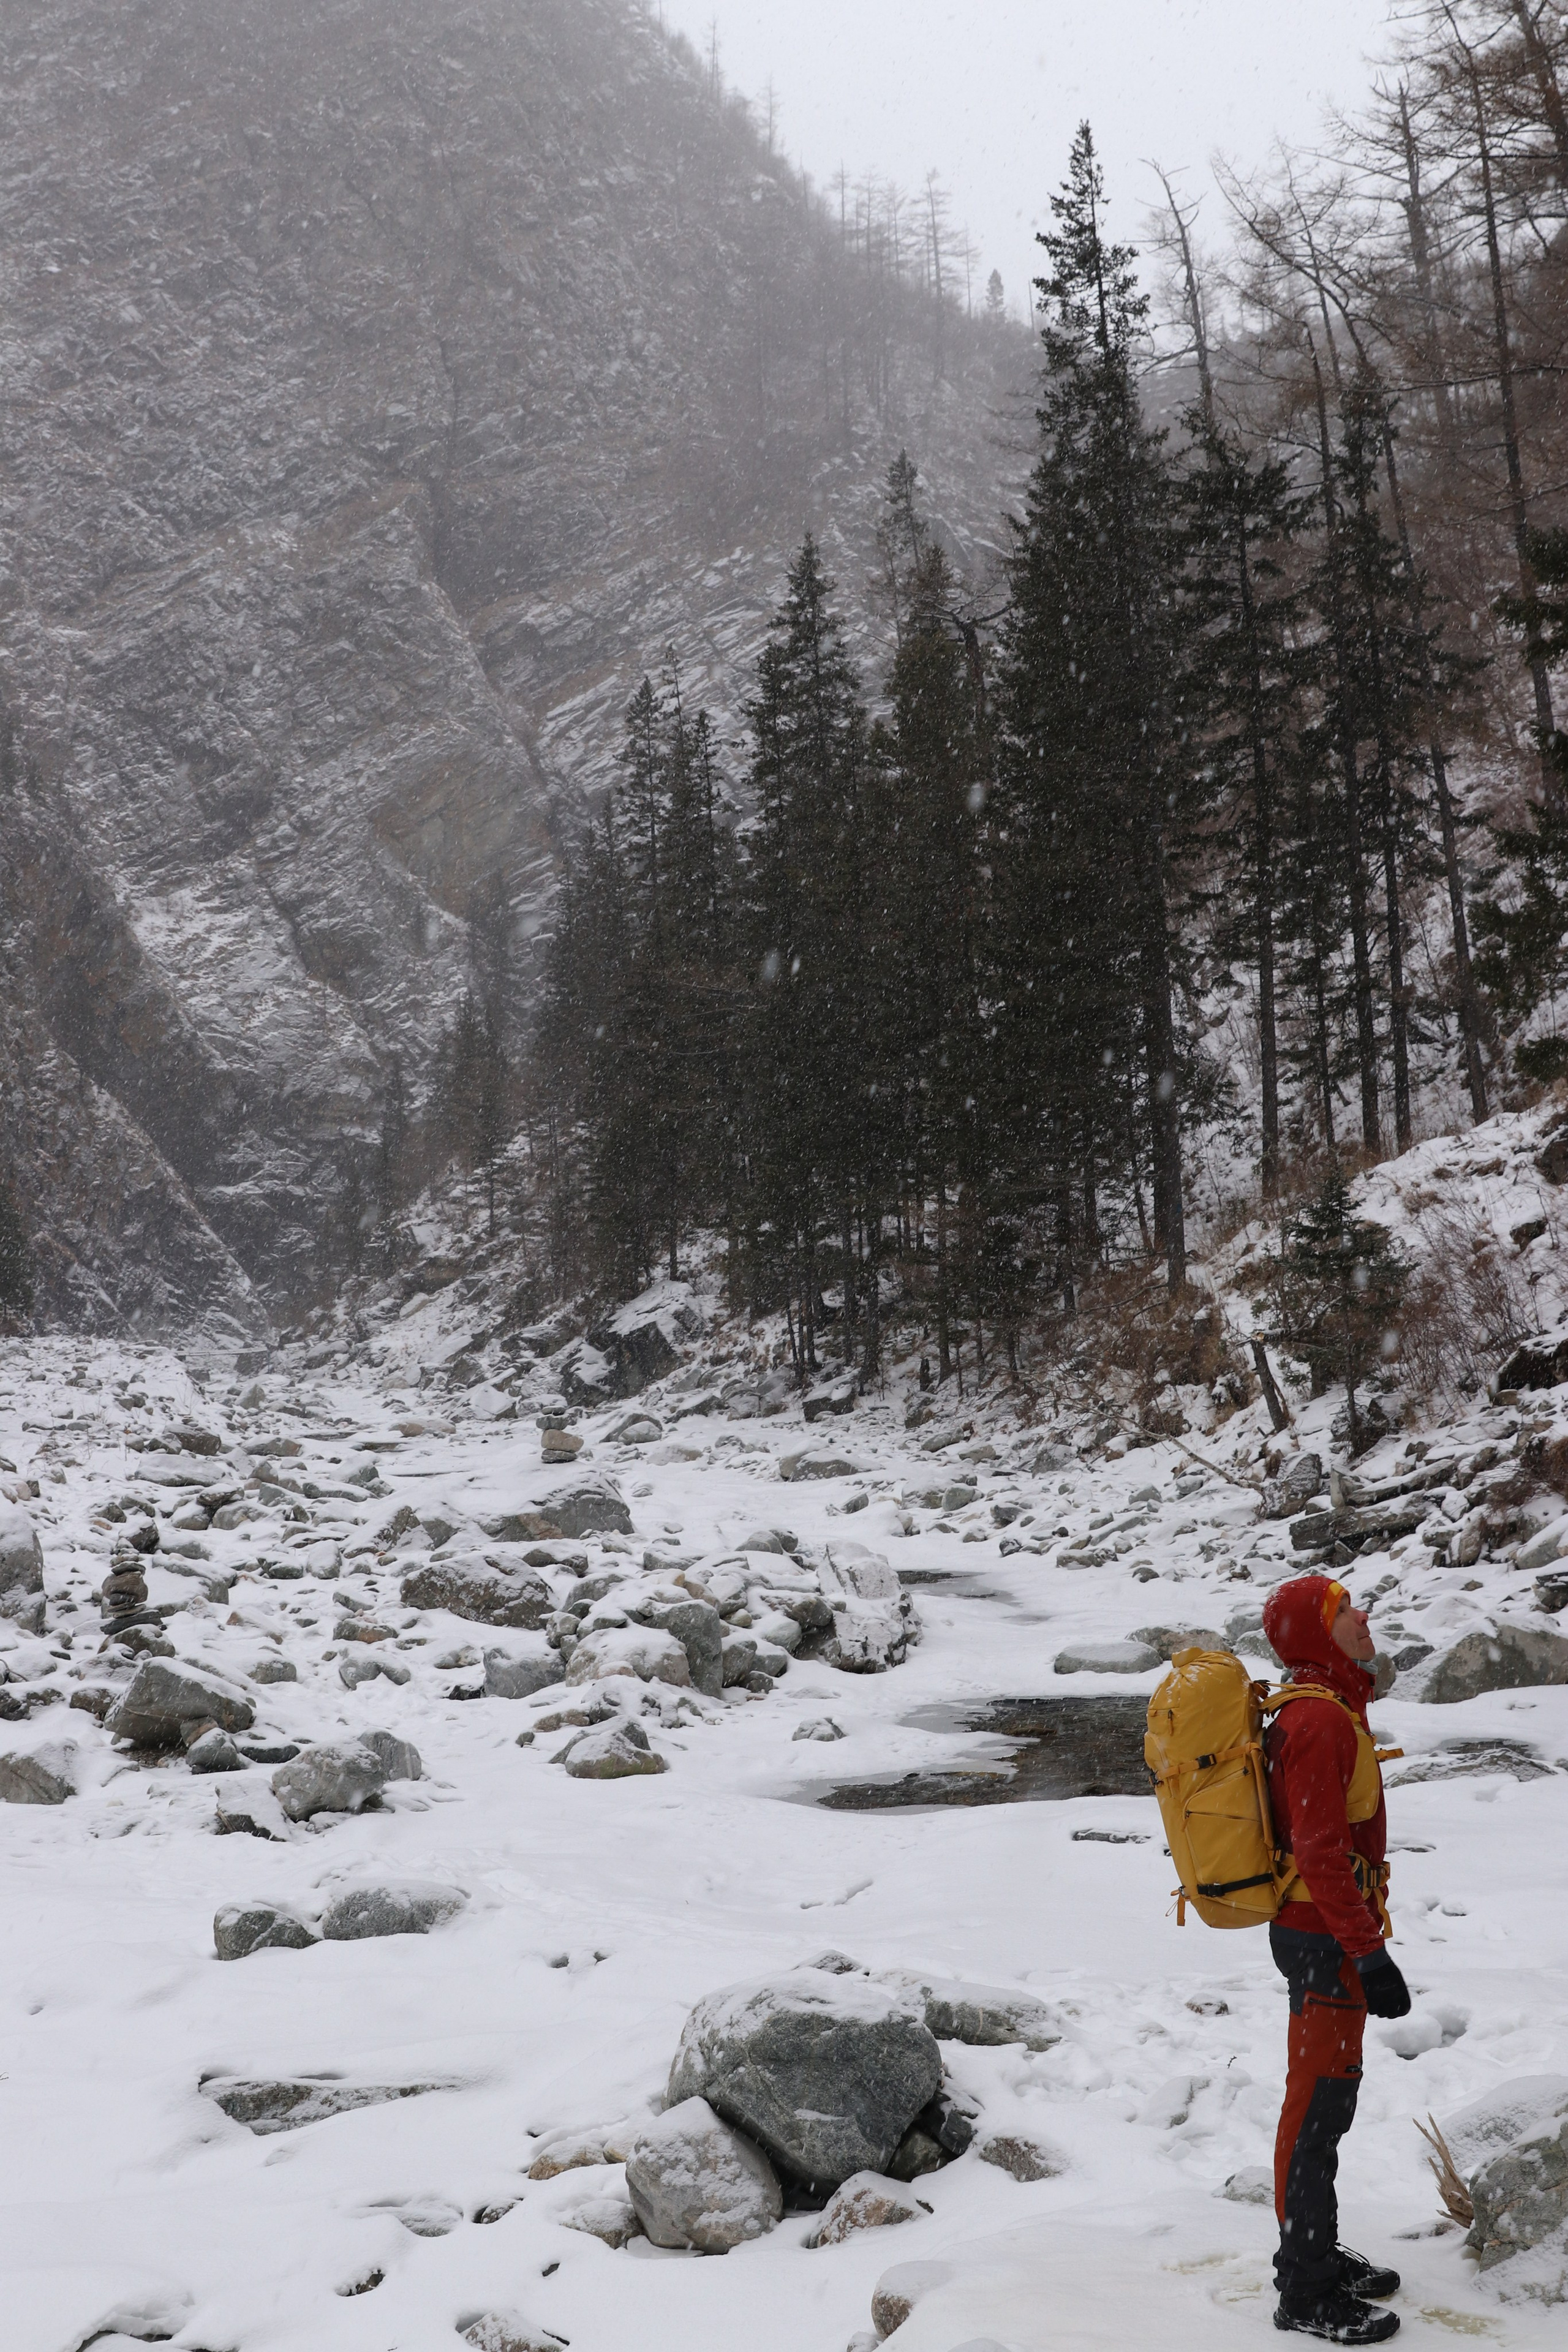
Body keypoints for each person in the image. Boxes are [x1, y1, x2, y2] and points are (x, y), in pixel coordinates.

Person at [1261, 1573, 1414, 2345]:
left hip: (1323, 1932)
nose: (1362, 1616)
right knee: (1317, 2107)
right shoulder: (1318, 1720)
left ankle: (1314, 2250)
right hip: (1322, 1936)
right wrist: (1368, 1952)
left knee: (1325, 2100)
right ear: (1318, 1636)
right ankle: (1305, 2286)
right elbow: (1320, 1852)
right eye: (1343, 1610)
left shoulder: (1329, 1706)